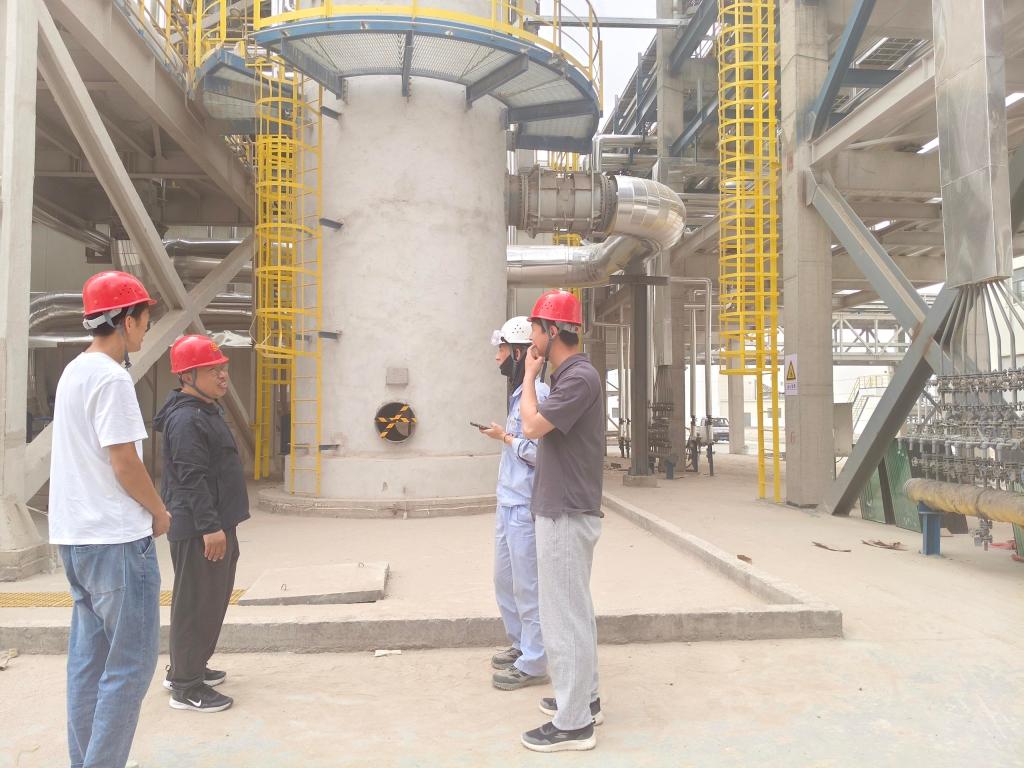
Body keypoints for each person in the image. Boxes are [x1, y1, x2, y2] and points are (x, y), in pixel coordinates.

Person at [48, 270, 170, 768]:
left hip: (76, 540)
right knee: (131, 667)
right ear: (125, 320)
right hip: (117, 541)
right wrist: (158, 510)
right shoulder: (113, 378)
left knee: (89, 664)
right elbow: (124, 462)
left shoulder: (73, 372)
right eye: (144, 318)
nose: (146, 328)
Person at [517, 290, 605, 753]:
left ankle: (573, 725)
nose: (530, 337)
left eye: (535, 328)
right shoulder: (572, 375)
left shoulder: (578, 378)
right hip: (566, 508)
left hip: (566, 512)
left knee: (563, 618)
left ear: (552, 331)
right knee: (575, 612)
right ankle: (584, 700)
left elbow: (531, 426)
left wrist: (529, 377)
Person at [154, 334, 249, 713]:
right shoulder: (186, 419)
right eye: (212, 370)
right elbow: (190, 477)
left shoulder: (203, 410)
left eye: (222, 368)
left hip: (215, 523)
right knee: (196, 604)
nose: (222, 375)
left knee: (209, 600)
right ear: (187, 376)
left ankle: (189, 667)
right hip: (200, 529)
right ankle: (186, 687)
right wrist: (210, 527)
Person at [479, 317, 550, 691]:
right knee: (504, 581)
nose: (498, 357)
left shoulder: (540, 395)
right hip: (507, 502)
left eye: (503, 349)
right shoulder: (518, 396)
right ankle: (521, 644)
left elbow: (540, 453)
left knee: (528, 586)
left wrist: (505, 438)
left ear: (520, 352)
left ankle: (535, 662)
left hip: (525, 505)